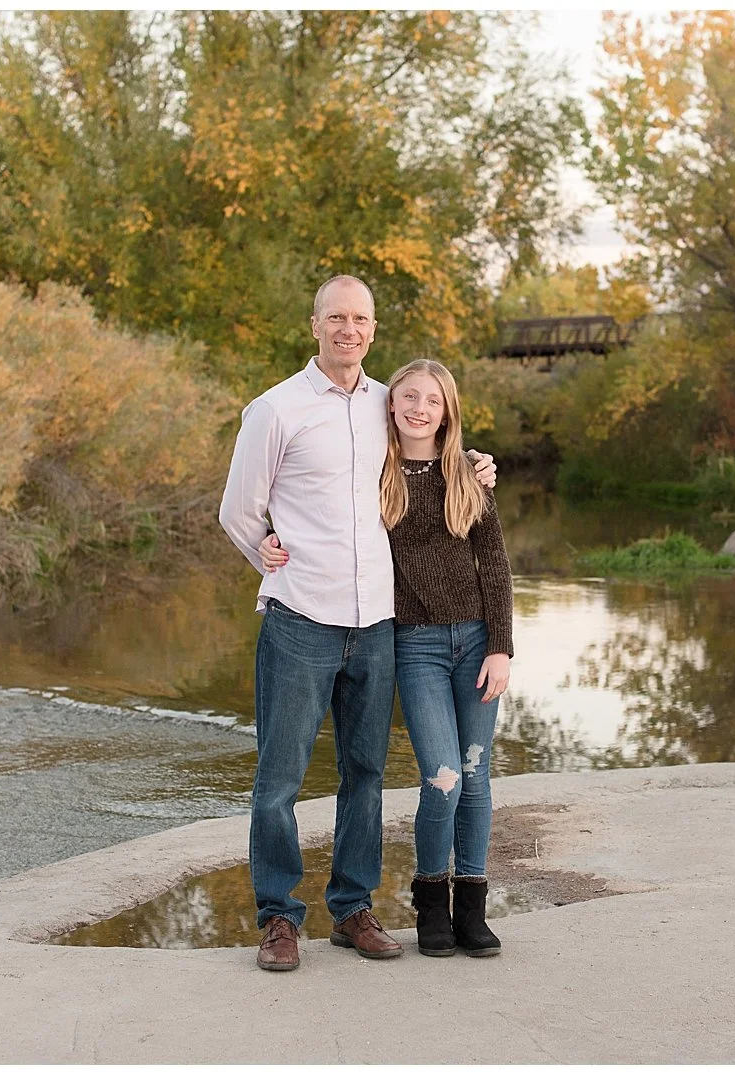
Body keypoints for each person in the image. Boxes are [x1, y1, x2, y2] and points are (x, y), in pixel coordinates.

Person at [218, 275, 496, 972]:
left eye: (361, 318)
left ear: (373, 329)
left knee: (365, 773)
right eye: (337, 317)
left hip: (377, 622)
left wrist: (475, 462)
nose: (349, 329)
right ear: (314, 324)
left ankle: (352, 909)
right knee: (280, 778)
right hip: (300, 618)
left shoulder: (385, 405)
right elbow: (238, 508)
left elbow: (435, 448)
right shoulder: (276, 409)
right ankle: (279, 917)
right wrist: (264, 550)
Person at [260, 358, 513, 958]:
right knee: (443, 777)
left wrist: (501, 646)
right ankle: (429, 904)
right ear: (390, 405)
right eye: (409, 398)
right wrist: (267, 536)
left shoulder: (467, 477)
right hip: (415, 645)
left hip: (477, 641)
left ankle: (470, 905)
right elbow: (315, 497)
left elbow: (495, 565)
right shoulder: (378, 472)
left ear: (448, 410)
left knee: (475, 780)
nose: (420, 408)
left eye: (434, 400)